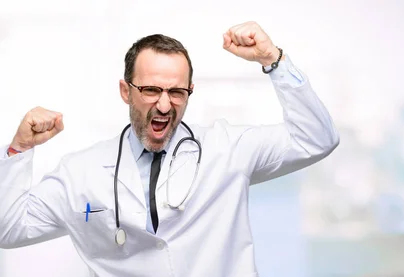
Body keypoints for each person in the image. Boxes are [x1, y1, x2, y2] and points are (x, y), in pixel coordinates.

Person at [0, 21, 339, 276]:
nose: (164, 105)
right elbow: (8, 229)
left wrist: (273, 60)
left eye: (177, 92)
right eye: (150, 90)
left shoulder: (228, 148)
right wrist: (19, 150)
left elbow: (316, 138)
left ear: (190, 91)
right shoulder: (81, 173)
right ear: (125, 90)